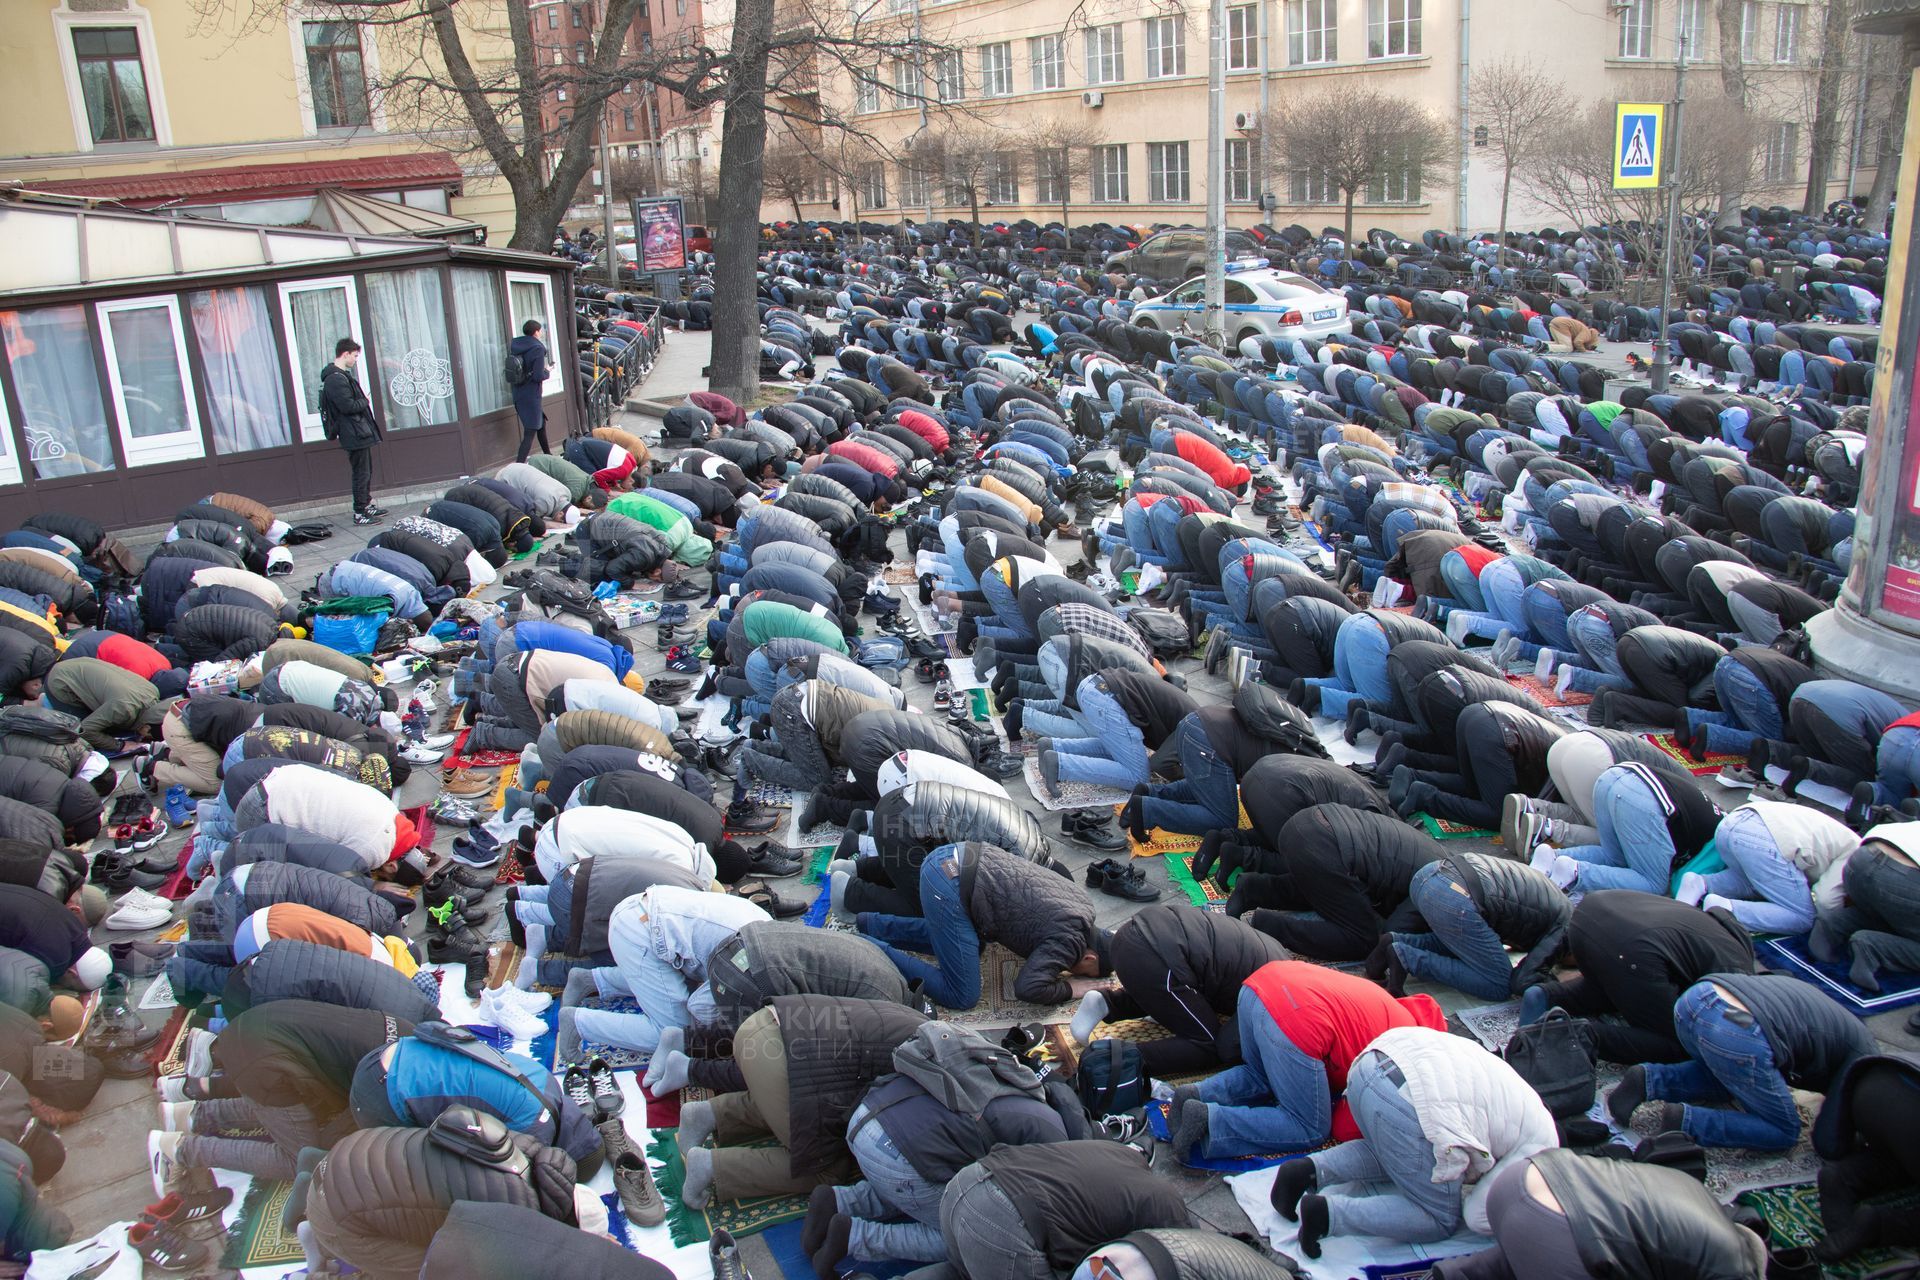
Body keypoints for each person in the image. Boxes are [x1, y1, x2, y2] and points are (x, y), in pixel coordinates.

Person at [1268, 1028, 1556, 1256]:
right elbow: (1479, 1215)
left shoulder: (1527, 1105)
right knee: (1439, 1217)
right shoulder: (1542, 1150)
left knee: (1395, 1150)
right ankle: (1329, 1215)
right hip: (1410, 1099)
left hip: (1372, 1064)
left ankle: (1305, 1170)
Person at [1168, 960, 1447, 1162]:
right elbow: (1346, 1126)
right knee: (1310, 1126)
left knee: (1261, 1074)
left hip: (1259, 986)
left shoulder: (1389, 1007)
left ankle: (1199, 1093)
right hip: (1295, 1019)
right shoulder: (1402, 1053)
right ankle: (1212, 1121)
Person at [1608, 971, 1875, 1150]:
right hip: (1736, 1026)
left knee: (1735, 1075)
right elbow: (1828, 1143)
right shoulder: (1863, 1060)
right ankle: (1687, 1122)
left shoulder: (1844, 1029)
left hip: (1695, 1001)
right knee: (1784, 1129)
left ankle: (1649, 1079)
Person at [1428, 1151, 1768, 1279]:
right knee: (1555, 1246)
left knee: (1525, 1253)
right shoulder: (1734, 1271)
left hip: (1521, 1179)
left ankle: (1452, 1275)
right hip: (1552, 1227)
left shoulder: (1700, 1198)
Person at [851, 841, 1108, 1010]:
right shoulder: (1070, 941)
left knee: (972, 946)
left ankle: (872, 925)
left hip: (956, 856)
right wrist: (1069, 988)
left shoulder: (1084, 906)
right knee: (962, 995)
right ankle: (871, 947)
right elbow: (1028, 987)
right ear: (1089, 956)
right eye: (1085, 972)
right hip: (948, 882)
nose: (1072, 972)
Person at [1521, 890, 1755, 1063]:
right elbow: (1733, 1021)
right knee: (1678, 1042)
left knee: (1608, 989)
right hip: (1631, 951)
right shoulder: (1737, 970)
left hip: (1588, 915)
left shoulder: (1711, 927)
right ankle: (1575, 1035)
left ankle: (1544, 995)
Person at [1069, 903, 1290, 1076]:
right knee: (1207, 1042)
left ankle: (1107, 1003)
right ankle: (1120, 1056)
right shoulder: (1278, 991)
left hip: (1135, 933)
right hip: (1155, 960)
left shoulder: (1277, 955)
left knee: (1185, 993)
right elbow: (1229, 1047)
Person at [1811, 1051, 1920, 1263]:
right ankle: (1878, 1224)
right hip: (1912, 1120)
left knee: (1897, 1155)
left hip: (1875, 1084)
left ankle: (1842, 1177)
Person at [319, 338, 384, 526]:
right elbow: (347, 406)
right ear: (345, 353)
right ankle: (360, 511)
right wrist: (365, 401)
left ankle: (366, 503)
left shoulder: (340, 376)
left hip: (357, 431)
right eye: (355, 356)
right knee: (360, 472)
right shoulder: (335, 379)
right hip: (353, 432)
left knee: (366, 470)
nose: (356, 360)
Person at [510, 320, 552, 463]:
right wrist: (548, 371)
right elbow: (537, 376)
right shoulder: (537, 348)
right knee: (531, 431)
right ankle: (519, 465)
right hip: (531, 395)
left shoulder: (517, 346)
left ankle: (549, 456)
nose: (541, 333)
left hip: (519, 393)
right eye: (540, 331)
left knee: (541, 424)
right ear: (536, 332)